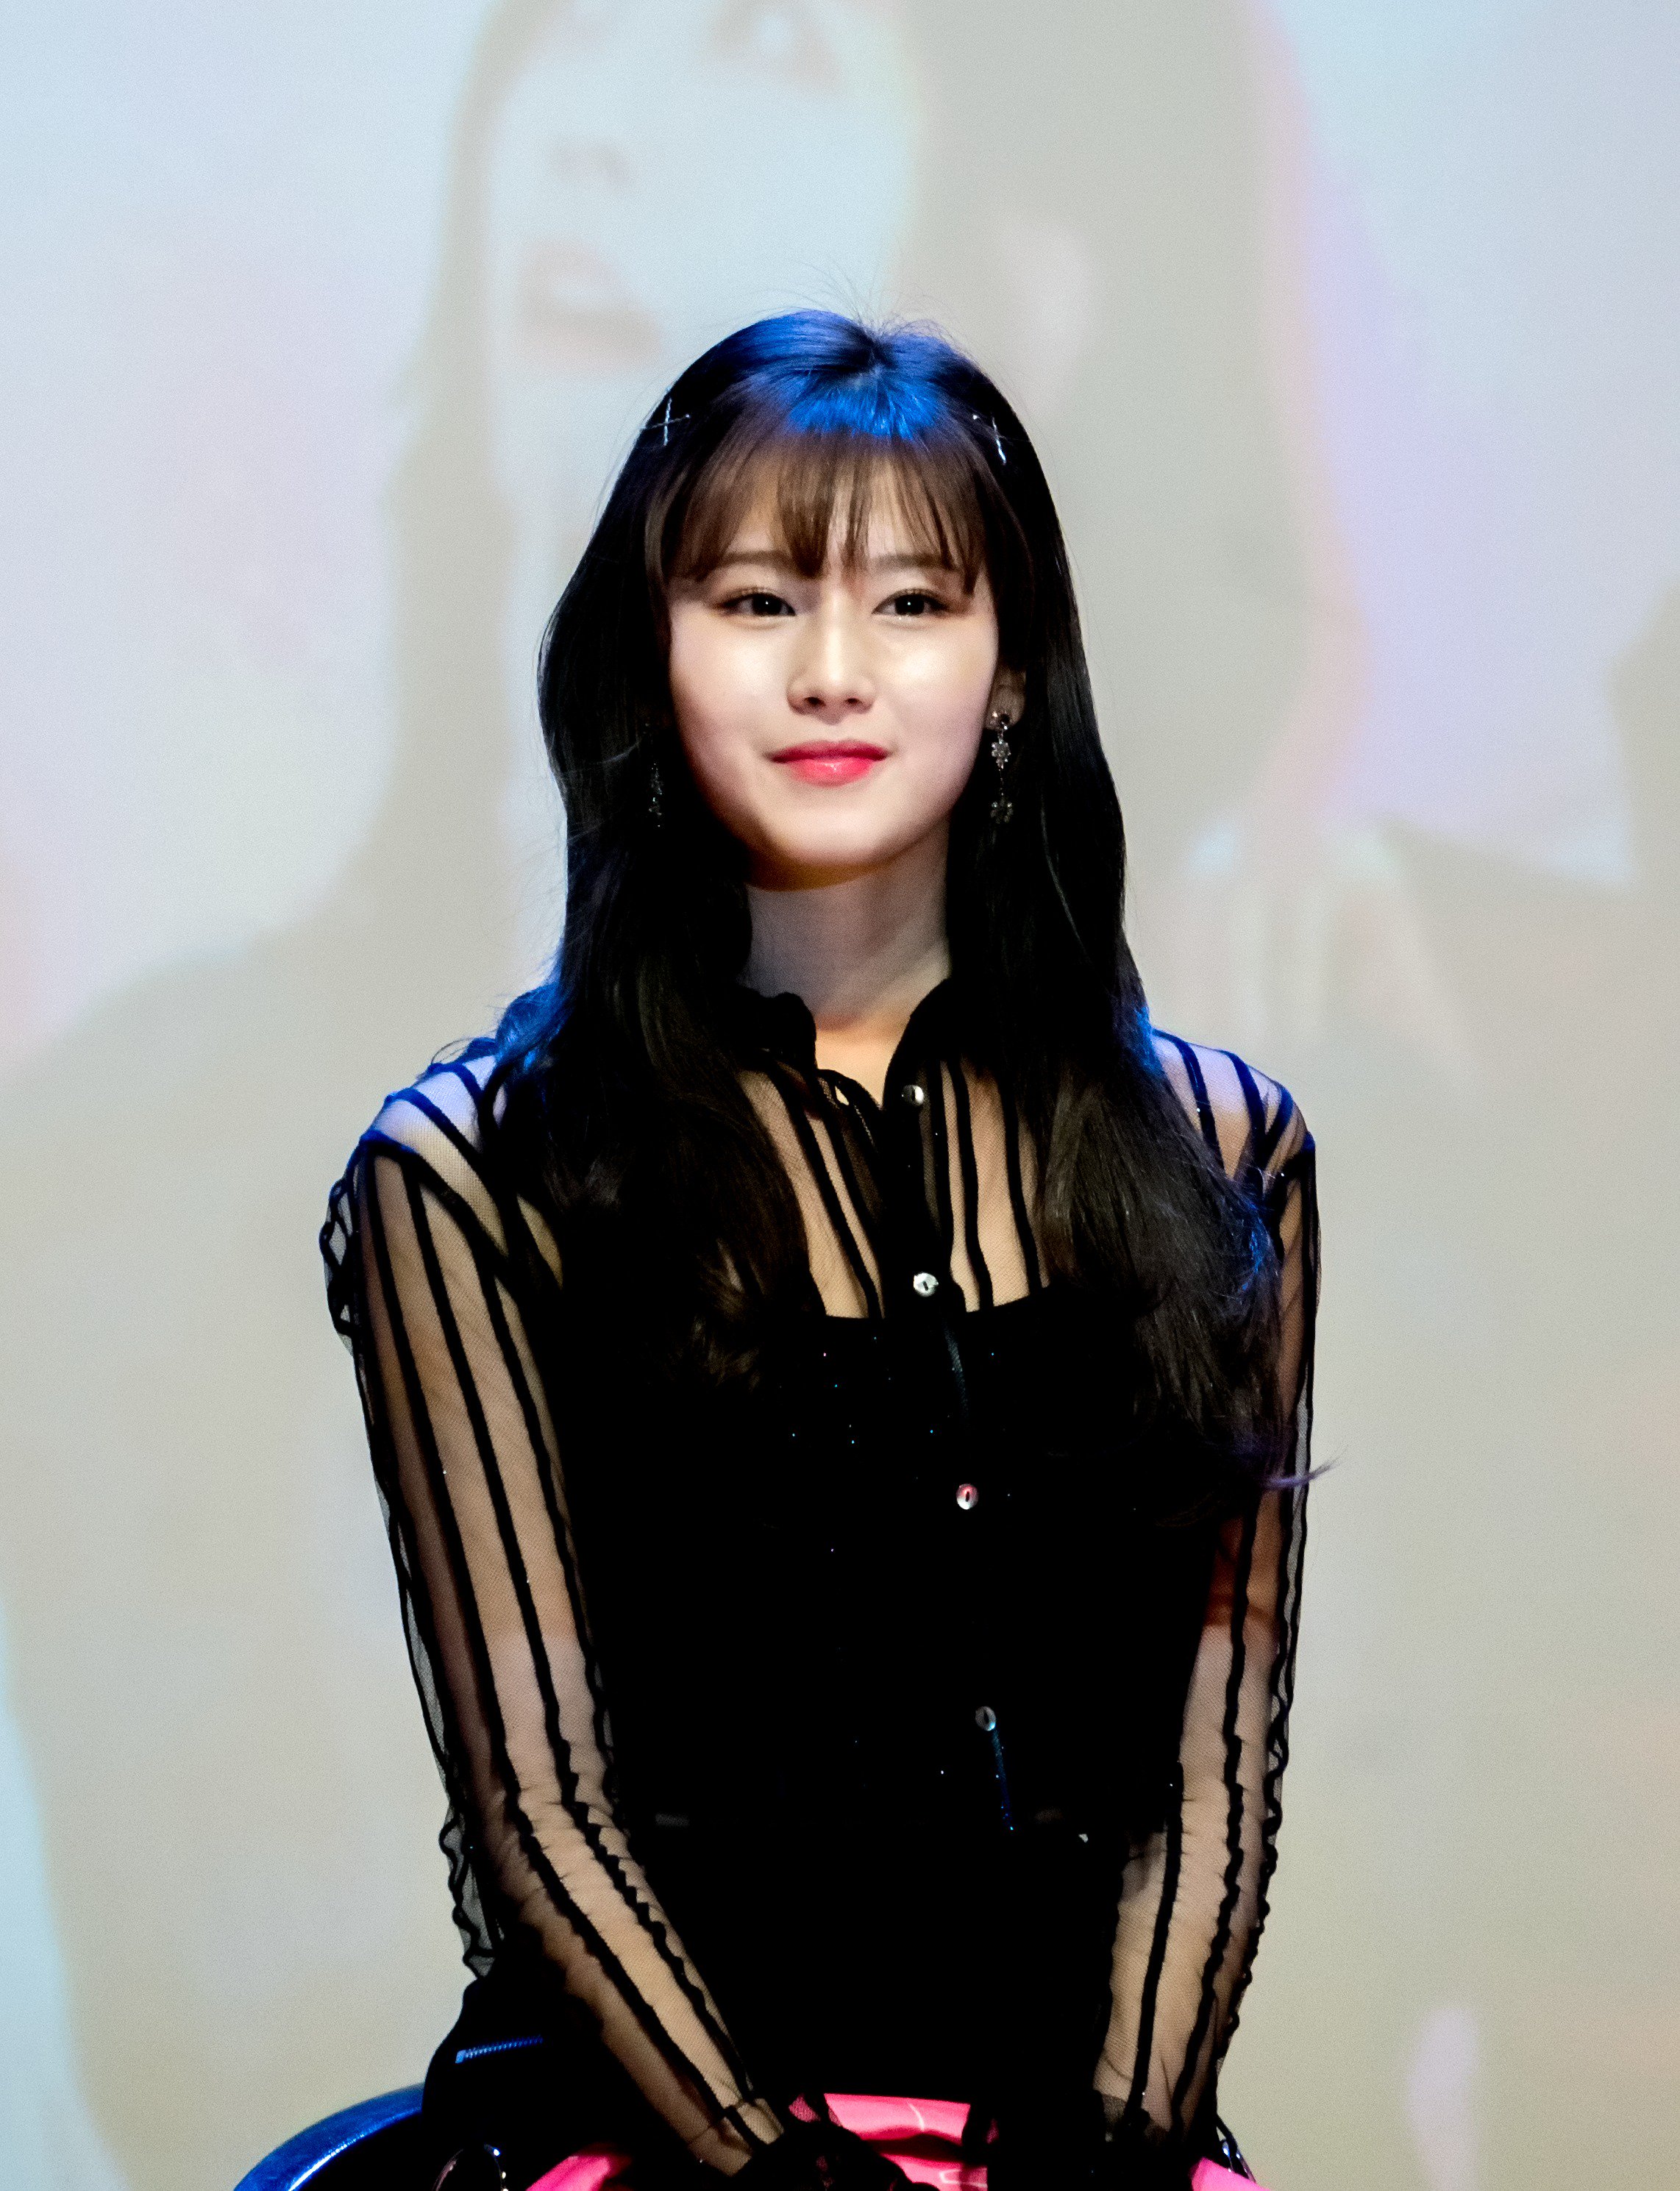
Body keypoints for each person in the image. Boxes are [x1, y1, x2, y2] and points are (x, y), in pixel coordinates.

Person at [322, 312, 1317, 2191]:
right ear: (653, 658)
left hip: (1083, 2156)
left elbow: (1213, 1772)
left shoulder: (1222, 1150)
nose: (832, 671)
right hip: (668, 2142)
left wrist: (1114, 2165)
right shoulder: (471, 1173)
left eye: (912, 603)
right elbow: (539, 1810)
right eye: (758, 601)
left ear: (1009, 672)